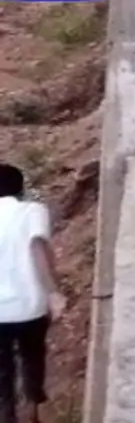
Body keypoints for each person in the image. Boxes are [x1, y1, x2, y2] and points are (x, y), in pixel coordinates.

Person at [0, 164, 64, 423]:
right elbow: (38, 248)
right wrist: (54, 292)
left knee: (2, 369)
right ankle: (32, 411)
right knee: (32, 356)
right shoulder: (34, 211)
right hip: (30, 305)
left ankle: (7, 415)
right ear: (21, 187)